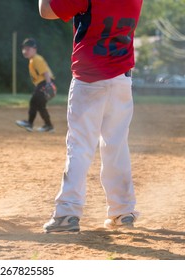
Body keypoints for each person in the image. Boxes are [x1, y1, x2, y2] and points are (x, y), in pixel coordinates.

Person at [38, 0, 143, 232]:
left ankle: (67, 212)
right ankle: (123, 210)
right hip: (122, 80)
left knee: (80, 146)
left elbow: (46, 11)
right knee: (116, 145)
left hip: (89, 80)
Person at [16, 38, 56, 133]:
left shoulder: (37, 59)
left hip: (45, 83)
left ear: (34, 49)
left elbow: (45, 73)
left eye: (28, 49)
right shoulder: (32, 60)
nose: (25, 51)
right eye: (24, 49)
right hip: (43, 83)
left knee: (34, 101)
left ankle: (29, 123)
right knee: (40, 105)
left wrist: (49, 85)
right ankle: (49, 126)